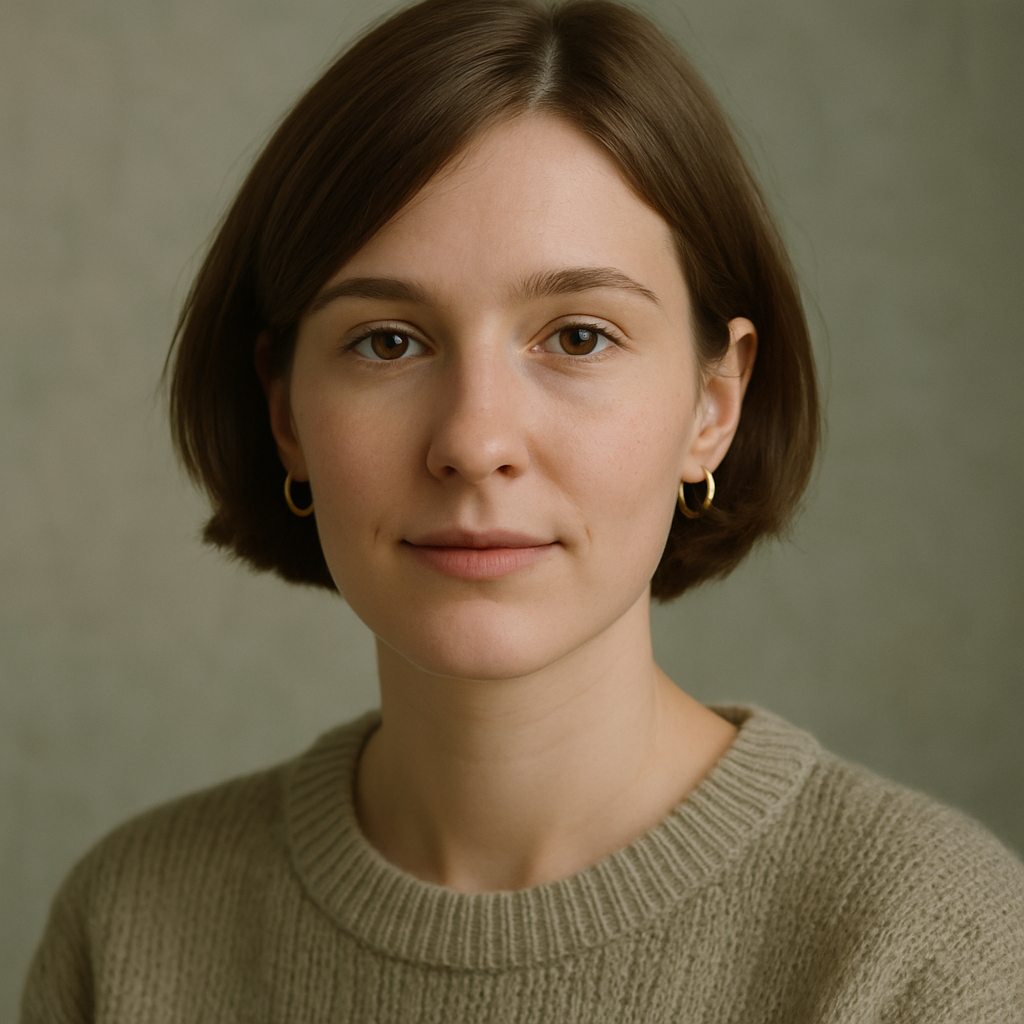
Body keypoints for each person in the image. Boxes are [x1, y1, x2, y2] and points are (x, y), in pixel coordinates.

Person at [21, 0, 1024, 1020]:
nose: (474, 441)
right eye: (387, 341)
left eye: (579, 337)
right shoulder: (128, 930)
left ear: (714, 404)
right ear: (286, 413)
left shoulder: (924, 946)